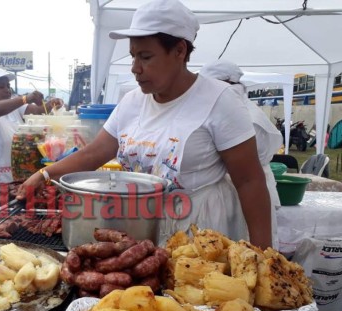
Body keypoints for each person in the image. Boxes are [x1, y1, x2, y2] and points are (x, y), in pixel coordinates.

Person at [17, 0, 272, 249]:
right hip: (142, 223)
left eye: (146, 57)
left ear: (180, 50)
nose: (135, 68)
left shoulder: (219, 100)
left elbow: (249, 181)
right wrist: (44, 174)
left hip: (201, 231)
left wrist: (264, 255)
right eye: (133, 56)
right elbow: (95, 152)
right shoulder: (132, 102)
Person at [199, 59, 282, 248]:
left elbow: (246, 170)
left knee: (246, 248)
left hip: (247, 193)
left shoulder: (248, 117)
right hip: (230, 192)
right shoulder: (228, 107)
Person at [0, 67, 63, 186]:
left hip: (18, 172)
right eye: (1, 87)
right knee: (0, 204)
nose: (7, 90)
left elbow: (38, 111)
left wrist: (52, 103)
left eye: (8, 86)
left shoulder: (14, 106)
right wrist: (25, 98)